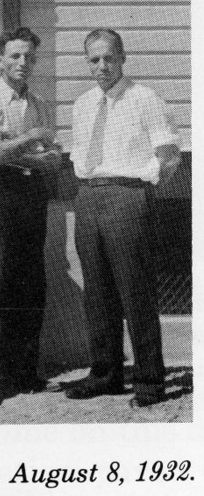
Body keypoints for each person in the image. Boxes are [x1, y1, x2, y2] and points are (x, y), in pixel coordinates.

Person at [64, 29, 181, 409]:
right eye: (94, 59)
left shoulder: (145, 98)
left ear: (123, 57)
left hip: (127, 196)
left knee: (135, 291)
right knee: (97, 293)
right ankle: (106, 374)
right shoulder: (82, 104)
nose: (102, 66)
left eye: (109, 58)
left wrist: (140, 191)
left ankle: (149, 380)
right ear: (87, 63)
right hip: (88, 197)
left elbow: (169, 155)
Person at [0, 26, 62, 407]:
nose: (23, 63)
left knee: (30, 280)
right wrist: (28, 140)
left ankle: (25, 370)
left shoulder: (39, 104)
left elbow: (53, 157)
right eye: (15, 56)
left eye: (29, 57)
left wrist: (18, 150)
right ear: (0, 60)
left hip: (32, 194)